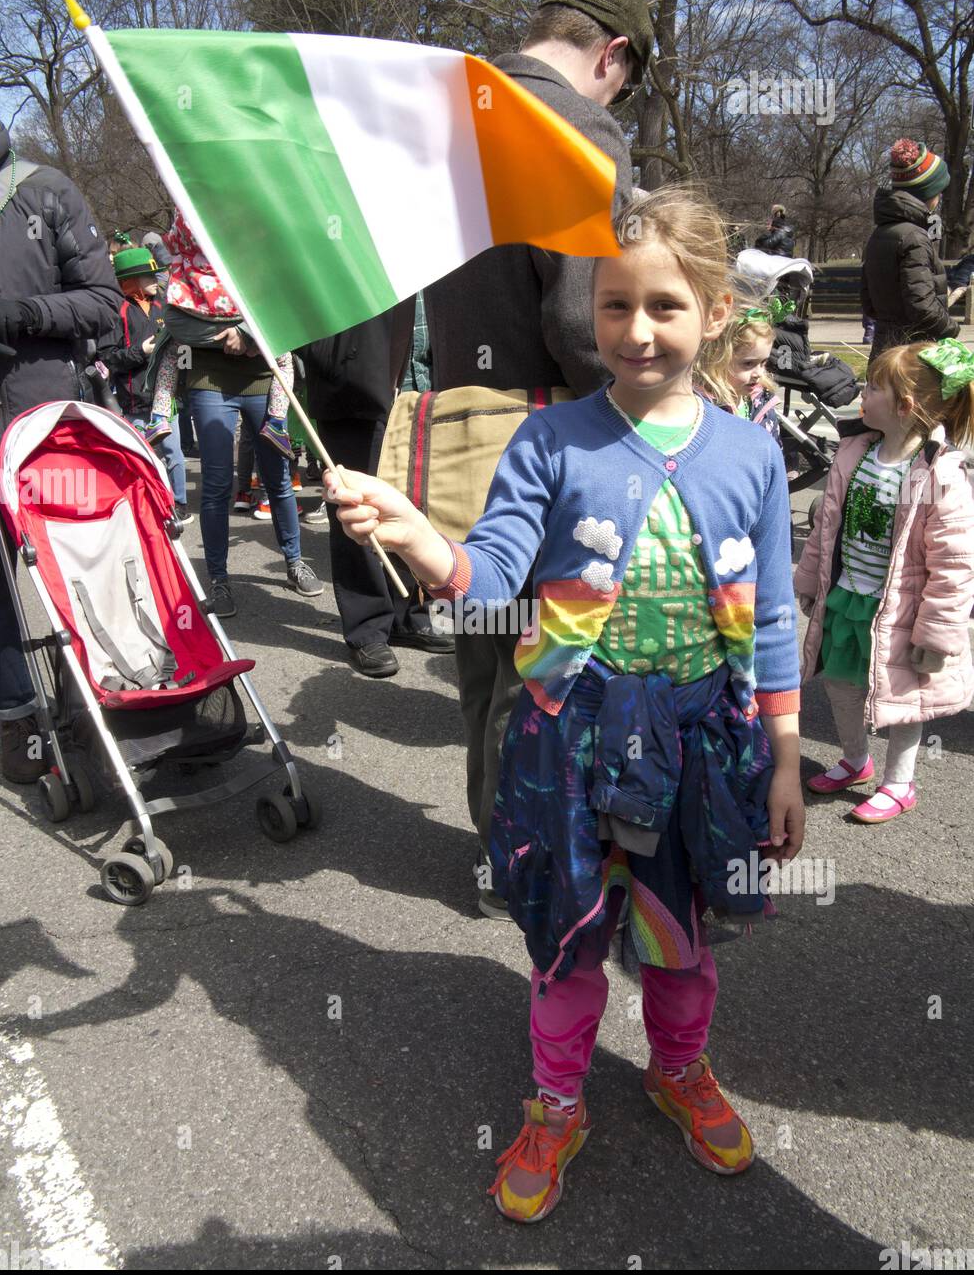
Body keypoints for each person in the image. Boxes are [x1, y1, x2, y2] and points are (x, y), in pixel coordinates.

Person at [325, 186, 805, 1221]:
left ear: (716, 312)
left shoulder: (753, 455)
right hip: (572, 739)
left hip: (701, 742)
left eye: (666, 307)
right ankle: (555, 1101)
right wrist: (421, 537)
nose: (637, 330)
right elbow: (493, 575)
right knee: (569, 935)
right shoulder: (550, 441)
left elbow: (770, 615)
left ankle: (679, 1066)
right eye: (616, 306)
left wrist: (786, 749)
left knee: (680, 938)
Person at [423, 0, 646, 913]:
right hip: (553, 432)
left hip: (462, 421)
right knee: (547, 664)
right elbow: (580, 315)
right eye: (622, 86)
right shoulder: (576, 127)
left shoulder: (456, 111)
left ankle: (492, 845)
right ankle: (529, 860)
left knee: (484, 655)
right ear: (613, 54)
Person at [794, 338, 974, 822]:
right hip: (849, 598)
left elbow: (956, 565)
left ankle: (900, 782)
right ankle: (855, 759)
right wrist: (811, 580)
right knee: (840, 683)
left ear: (904, 405)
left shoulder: (940, 474)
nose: (861, 393)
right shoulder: (856, 451)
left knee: (903, 701)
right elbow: (826, 525)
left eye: (873, 388)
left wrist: (937, 635)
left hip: (901, 613)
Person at [0, 120, 121, 783]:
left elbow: (104, 304)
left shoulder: (43, 192)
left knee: (75, 563)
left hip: (42, 417)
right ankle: (17, 714)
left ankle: (92, 698)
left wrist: (19, 315)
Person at [145, 212, 321, 618]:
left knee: (277, 477)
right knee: (217, 481)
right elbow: (178, 322)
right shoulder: (189, 259)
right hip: (210, 377)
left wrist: (248, 334)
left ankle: (294, 561)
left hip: (265, 376)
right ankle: (219, 580)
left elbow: (284, 315)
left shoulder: (258, 248)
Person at [301, 302, 451, 677]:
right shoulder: (342, 241)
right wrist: (333, 360)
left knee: (414, 505)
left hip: (424, 387)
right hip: (357, 384)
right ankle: (367, 628)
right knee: (357, 508)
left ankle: (408, 613)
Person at [100, 246, 192, 523]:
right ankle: (145, 502)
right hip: (134, 401)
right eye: (148, 276)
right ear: (130, 282)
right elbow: (108, 359)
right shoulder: (119, 312)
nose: (156, 280)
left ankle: (179, 503)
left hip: (165, 399)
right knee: (142, 456)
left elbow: (181, 349)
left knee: (174, 453)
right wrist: (141, 351)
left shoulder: (163, 307)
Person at [861, 140, 960, 360]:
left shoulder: (880, 233)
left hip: (884, 348)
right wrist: (951, 330)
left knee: (882, 394)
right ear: (928, 192)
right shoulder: (914, 237)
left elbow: (868, 301)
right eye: (938, 192)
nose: (939, 198)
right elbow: (921, 305)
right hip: (911, 352)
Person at [695, 307, 781, 447]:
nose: (758, 373)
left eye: (763, 362)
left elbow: (774, 453)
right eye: (748, 363)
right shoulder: (703, 410)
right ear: (718, 358)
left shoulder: (762, 402)